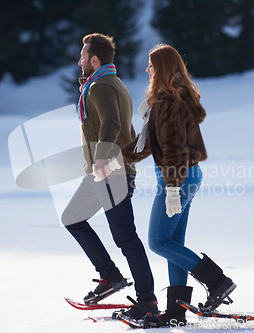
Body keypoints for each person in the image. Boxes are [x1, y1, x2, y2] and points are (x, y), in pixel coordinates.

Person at [122, 44, 236, 327]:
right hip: (185, 176)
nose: (147, 70)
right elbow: (149, 142)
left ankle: (218, 281)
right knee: (173, 243)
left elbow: (173, 148)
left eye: (151, 65)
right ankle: (176, 312)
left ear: (160, 68)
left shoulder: (170, 102)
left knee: (158, 242)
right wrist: (115, 162)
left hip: (178, 177)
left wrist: (172, 188)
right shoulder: (166, 100)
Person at [62, 33, 158, 320]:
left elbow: (113, 124)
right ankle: (110, 276)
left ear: (95, 59)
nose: (79, 62)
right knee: (72, 218)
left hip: (109, 172)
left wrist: (103, 159)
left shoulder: (101, 87)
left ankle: (147, 301)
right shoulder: (109, 82)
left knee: (126, 239)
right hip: (103, 173)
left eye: (83, 56)